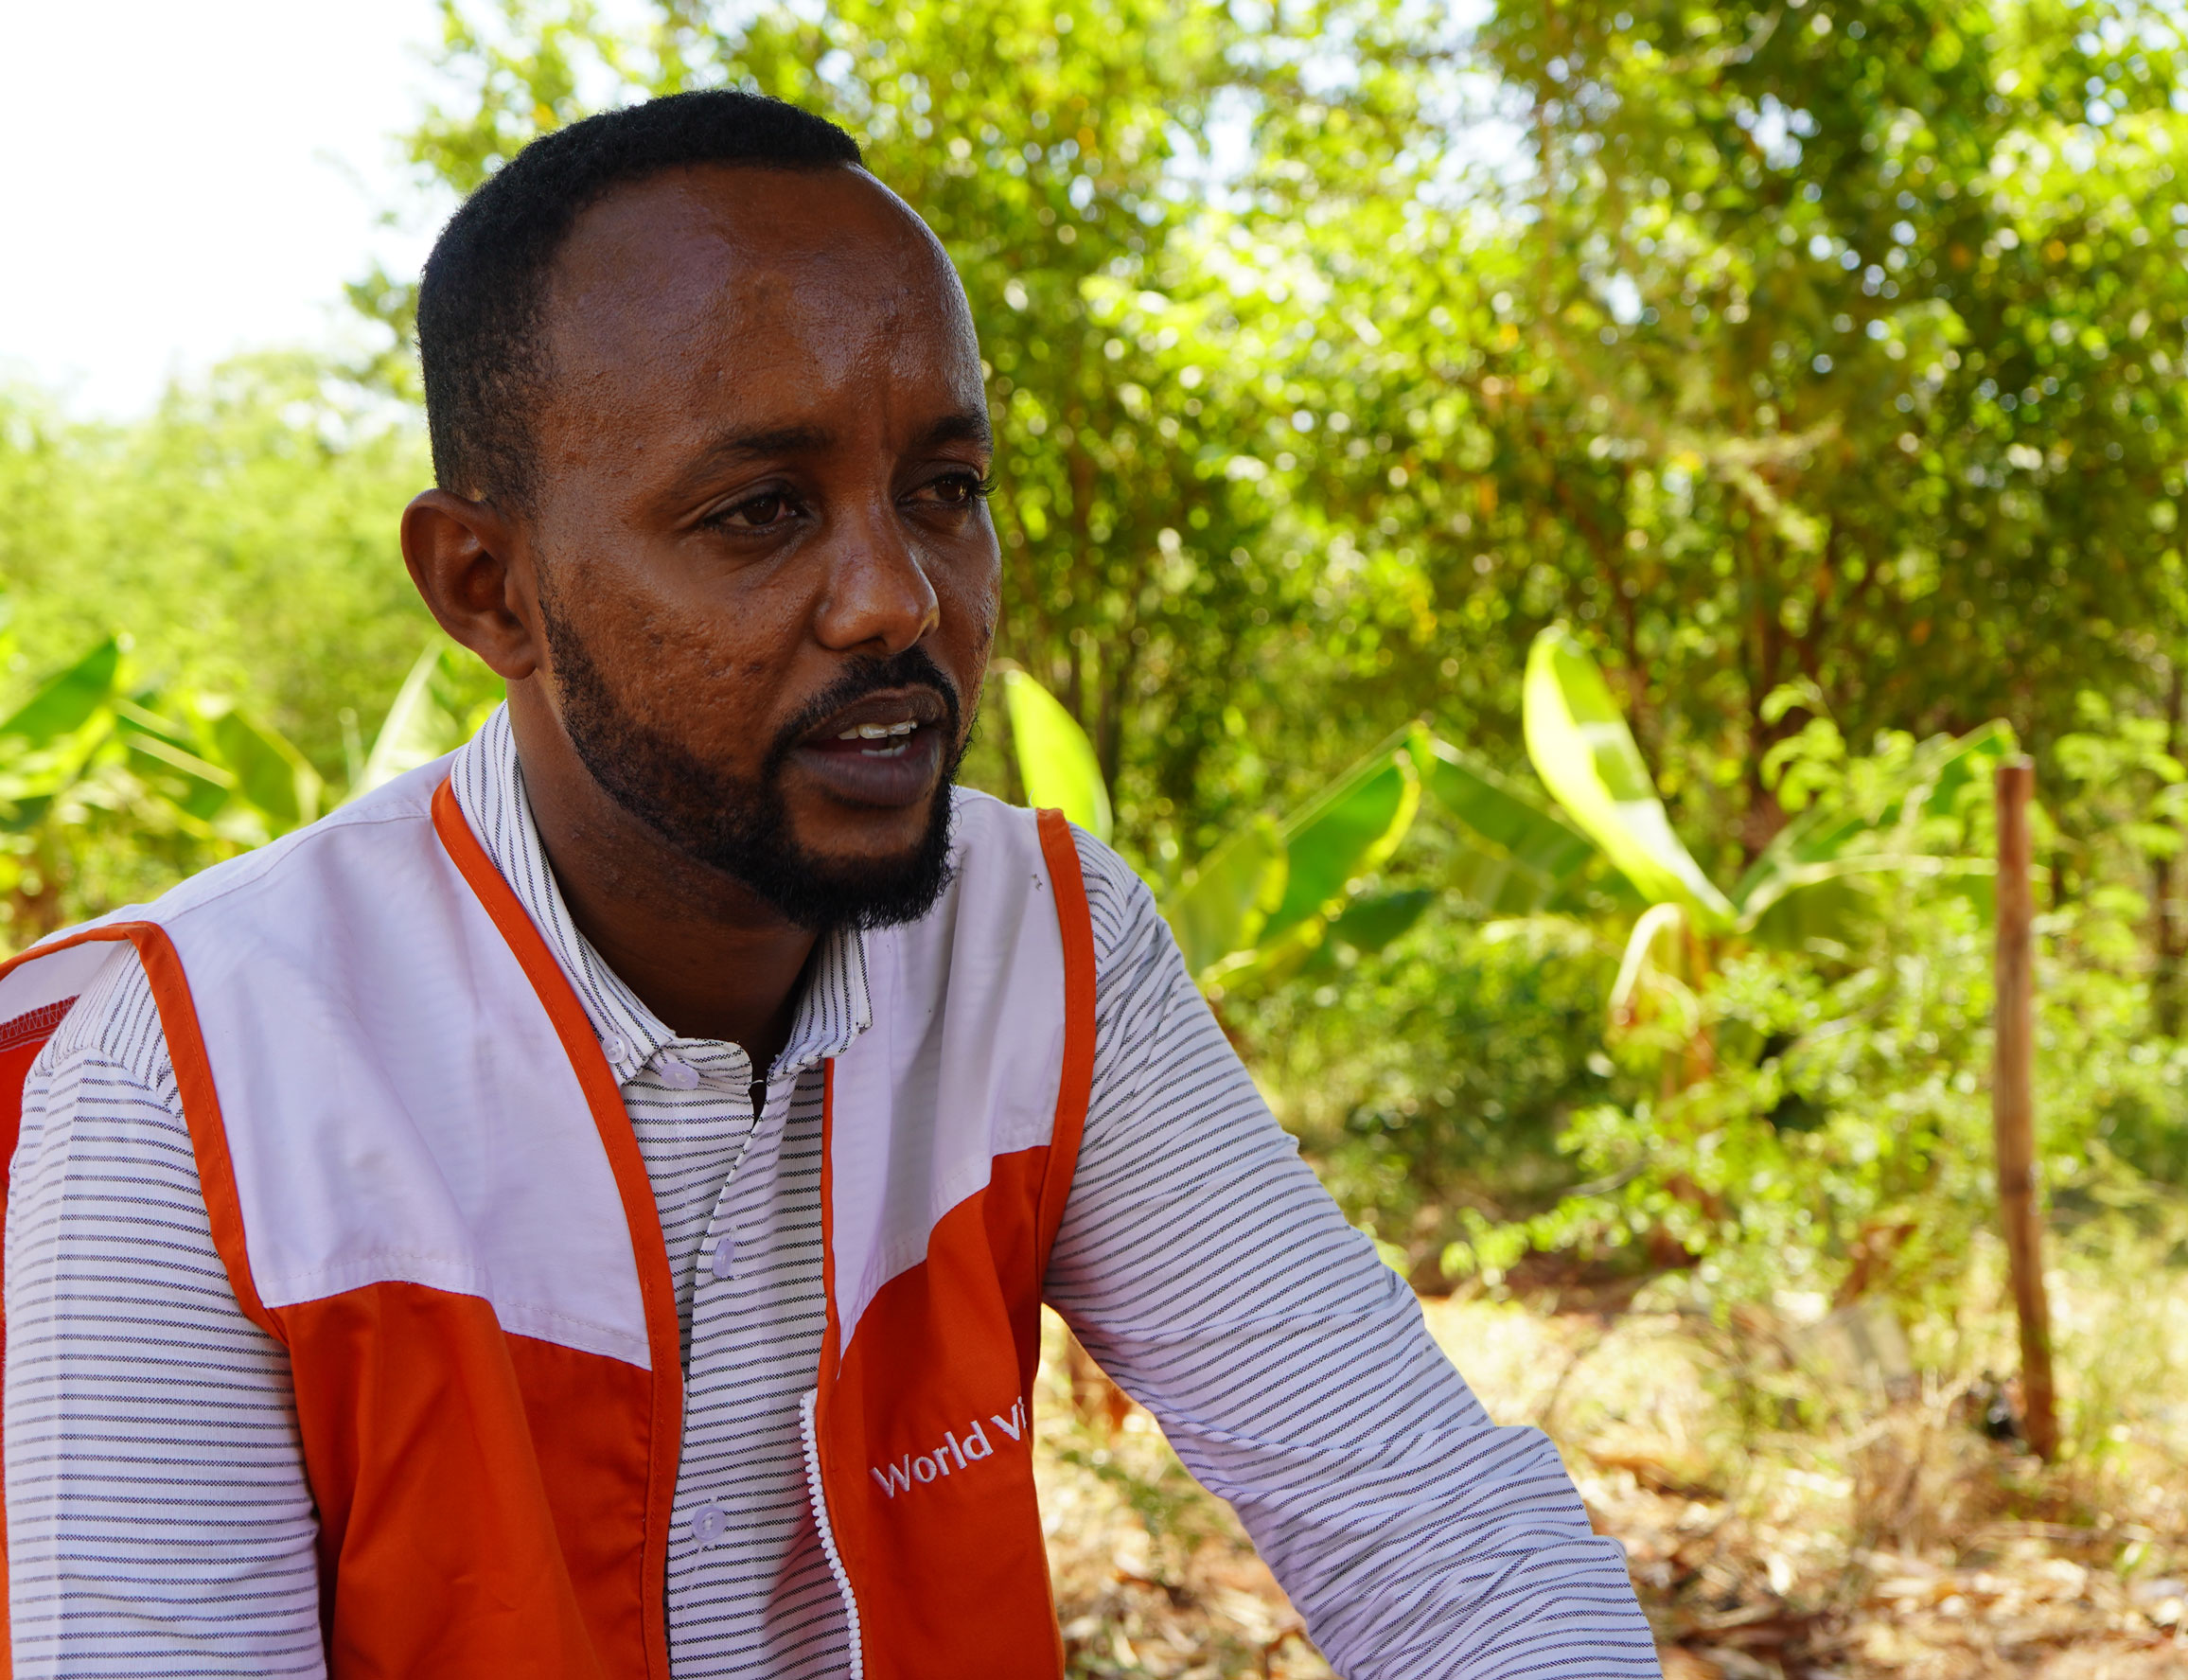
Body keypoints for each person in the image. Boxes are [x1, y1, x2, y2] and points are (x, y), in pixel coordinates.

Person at [0, 90, 1658, 1679]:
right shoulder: (192, 1075)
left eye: (945, 492)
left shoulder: (1046, 949)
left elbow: (1437, 1534)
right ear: (488, 589)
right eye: (759, 512)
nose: (898, 599)